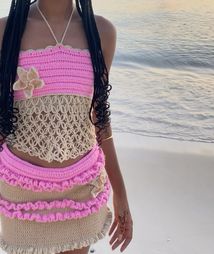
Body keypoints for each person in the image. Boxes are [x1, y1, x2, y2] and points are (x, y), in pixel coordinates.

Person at [0, 0, 133, 253]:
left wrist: (121, 193)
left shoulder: (102, 32)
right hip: (22, 192)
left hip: (81, 187)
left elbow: (100, 120)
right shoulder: (6, 31)